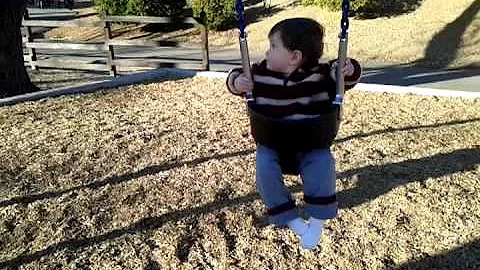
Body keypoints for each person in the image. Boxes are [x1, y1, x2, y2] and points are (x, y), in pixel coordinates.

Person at [226, 18, 362, 250]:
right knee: (265, 173)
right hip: (272, 141)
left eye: (273, 47)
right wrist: (237, 82)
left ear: (294, 57)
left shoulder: (320, 75)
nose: (267, 53)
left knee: (322, 166)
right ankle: (294, 221)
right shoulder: (259, 74)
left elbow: (344, 76)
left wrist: (348, 69)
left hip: (312, 142)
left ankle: (316, 225)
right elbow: (235, 75)